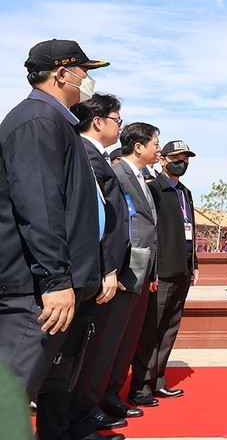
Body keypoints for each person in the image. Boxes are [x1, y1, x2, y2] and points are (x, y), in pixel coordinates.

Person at [0, 40, 107, 429]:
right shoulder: (38, 121)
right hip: (34, 291)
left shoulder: (53, 120)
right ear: (62, 73)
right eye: (84, 71)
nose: (87, 81)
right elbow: (39, 207)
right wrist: (56, 279)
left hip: (48, 284)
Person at [57, 95, 129, 440]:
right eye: (117, 118)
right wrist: (107, 270)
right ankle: (73, 424)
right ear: (98, 121)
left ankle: (80, 422)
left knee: (84, 354)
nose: (120, 125)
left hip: (98, 270)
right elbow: (92, 220)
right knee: (75, 357)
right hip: (89, 272)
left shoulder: (96, 156)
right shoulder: (84, 156)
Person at [130, 140, 199, 406]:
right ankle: (140, 386)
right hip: (163, 270)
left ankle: (158, 380)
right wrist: (153, 270)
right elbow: (149, 232)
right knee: (151, 330)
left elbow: (188, 229)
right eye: (177, 157)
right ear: (162, 159)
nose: (182, 162)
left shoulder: (185, 192)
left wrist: (194, 264)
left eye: (186, 158)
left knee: (170, 328)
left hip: (183, 269)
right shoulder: (153, 189)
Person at [102, 123, 160, 418]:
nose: (157, 149)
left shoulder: (141, 176)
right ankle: (101, 398)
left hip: (142, 268)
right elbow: (116, 225)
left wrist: (153, 269)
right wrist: (118, 269)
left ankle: (113, 393)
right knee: (112, 337)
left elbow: (149, 225)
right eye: (154, 143)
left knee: (128, 337)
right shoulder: (118, 173)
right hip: (126, 269)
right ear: (138, 146)